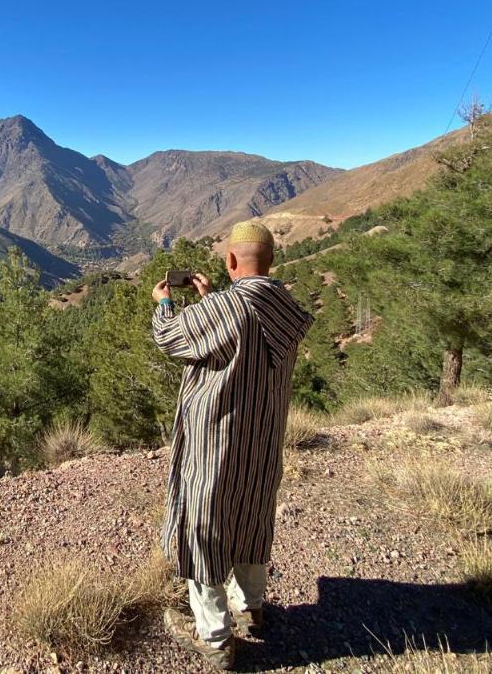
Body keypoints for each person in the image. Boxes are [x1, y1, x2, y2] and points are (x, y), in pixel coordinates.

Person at [151, 220, 314, 670]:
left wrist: (164, 303)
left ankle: (215, 637)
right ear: (272, 261)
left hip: (217, 442)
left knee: (204, 527)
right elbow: (243, 334)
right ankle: (250, 606)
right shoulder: (284, 305)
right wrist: (210, 300)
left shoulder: (226, 308)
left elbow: (171, 338)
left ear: (229, 261)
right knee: (252, 516)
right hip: (262, 441)